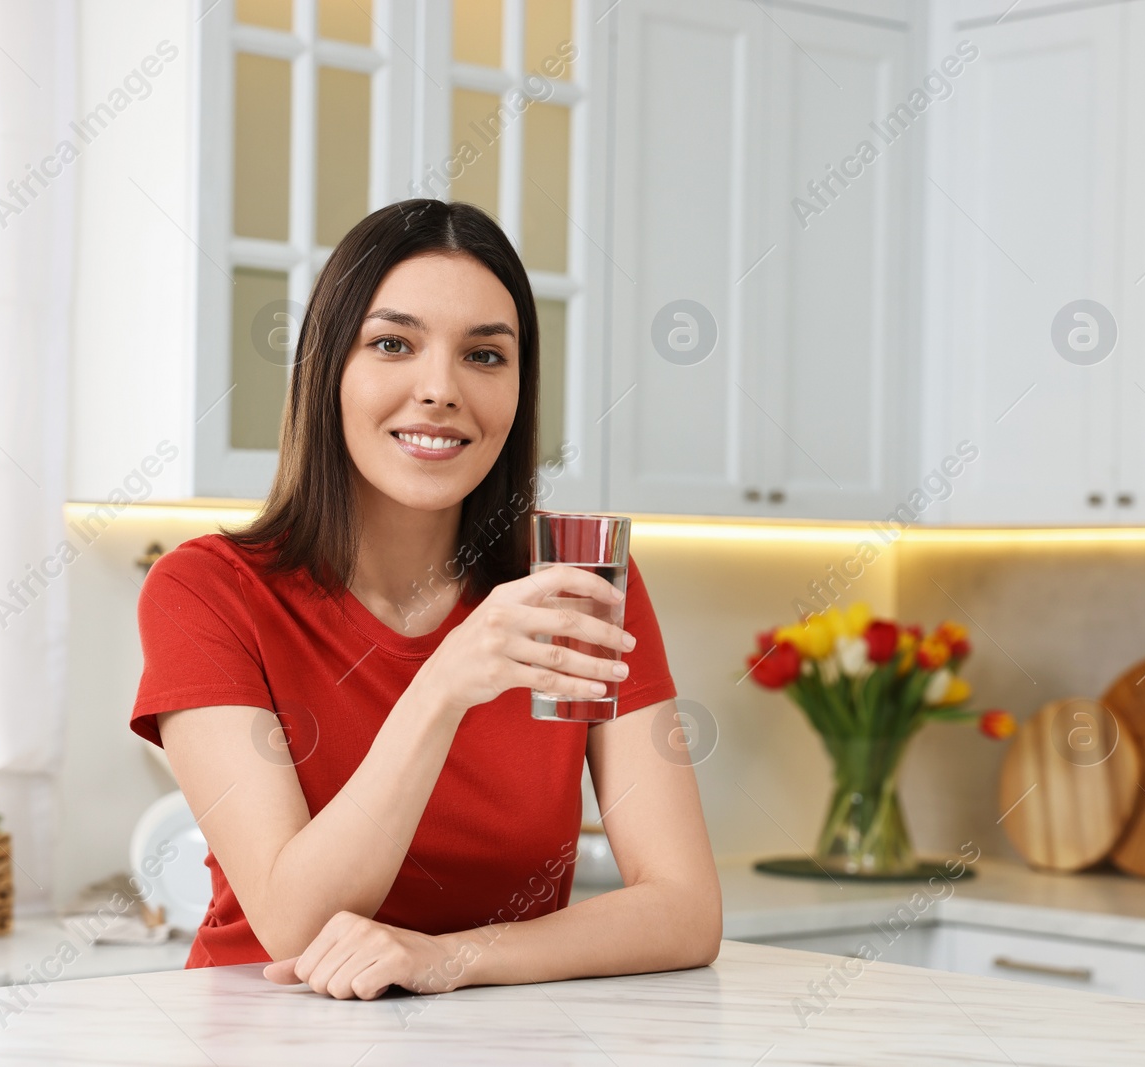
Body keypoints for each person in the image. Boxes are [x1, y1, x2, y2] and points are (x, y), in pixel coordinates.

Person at [129, 198, 720, 1001]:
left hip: (503, 1040)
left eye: (484, 355)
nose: (439, 389)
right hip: (273, 1038)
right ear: (327, 367)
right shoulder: (207, 590)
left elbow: (685, 910)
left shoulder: (574, 584)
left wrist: (445, 958)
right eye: (393, 344)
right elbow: (294, 923)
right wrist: (443, 683)